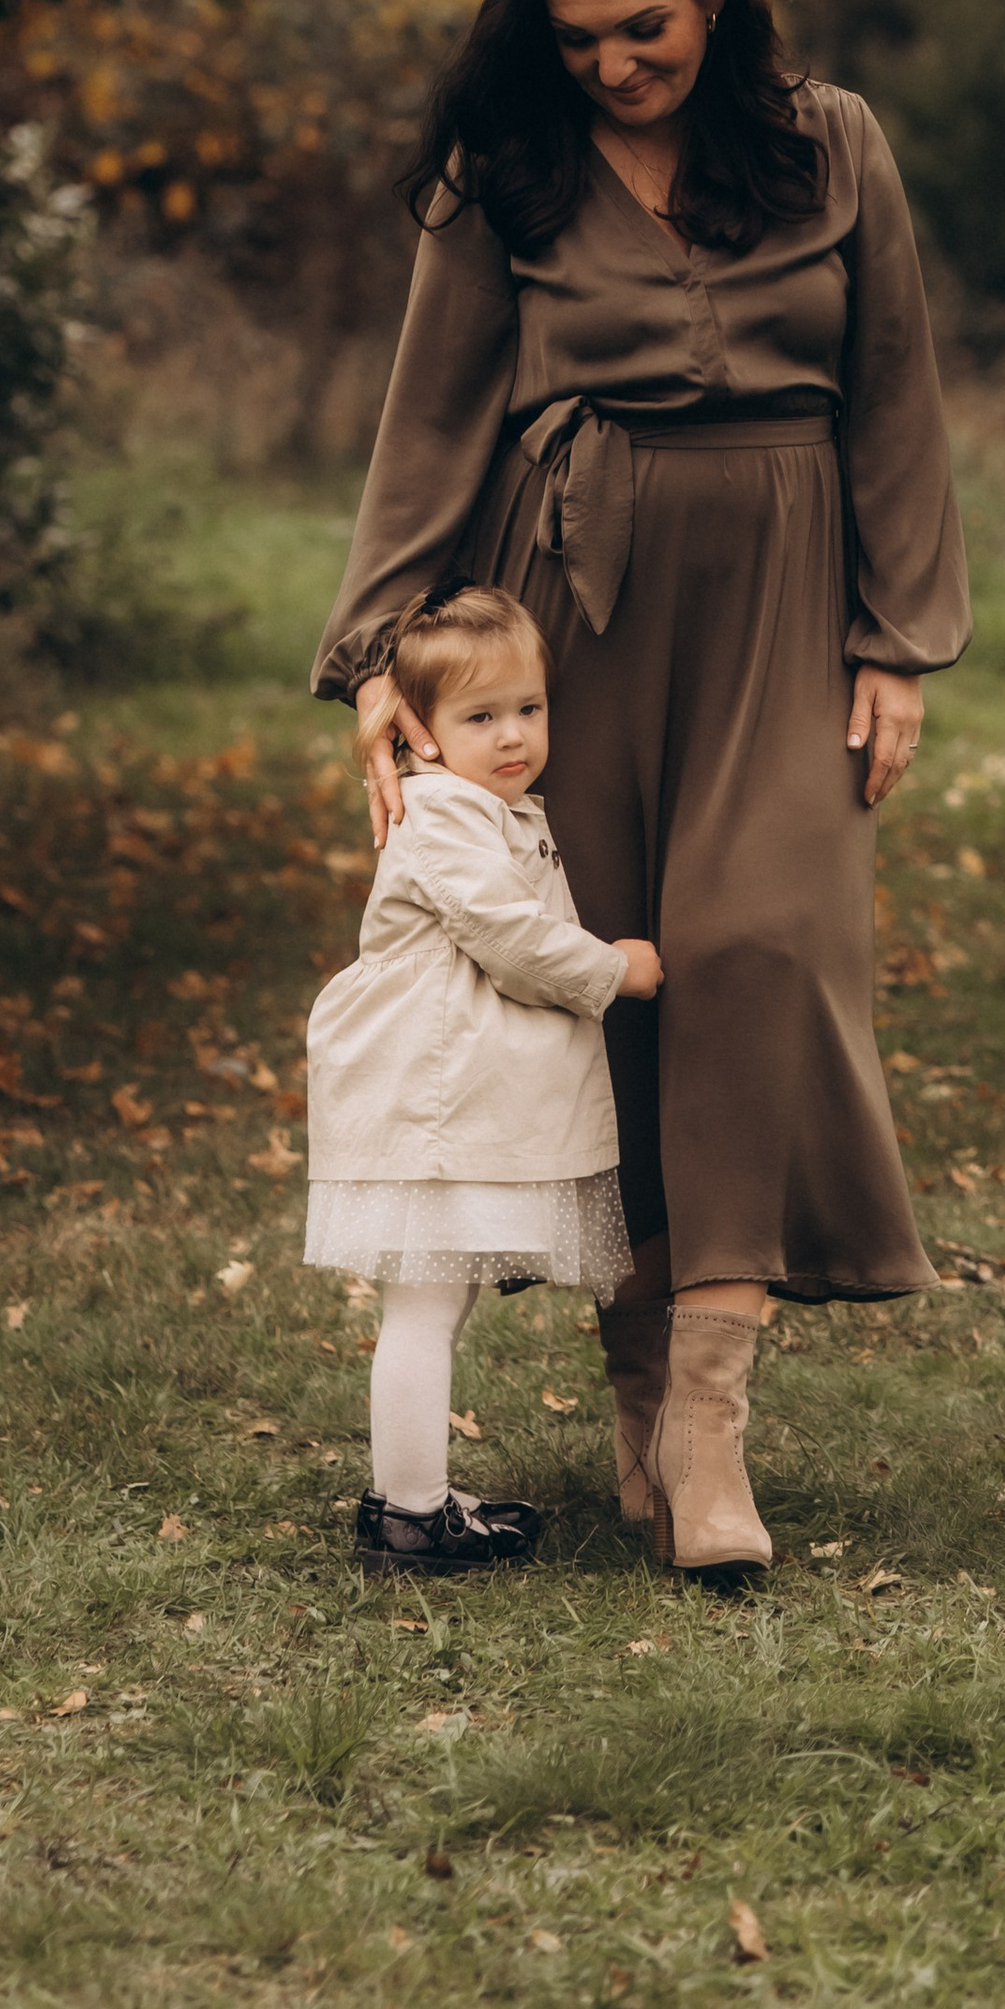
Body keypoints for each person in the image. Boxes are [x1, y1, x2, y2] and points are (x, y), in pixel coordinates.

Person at [312, 0, 970, 1578]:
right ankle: (632, 1388)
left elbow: (896, 389)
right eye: (580, 36)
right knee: (599, 978)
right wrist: (383, 646)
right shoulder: (504, 173)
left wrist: (895, 641)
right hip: (566, 621)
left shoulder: (833, 147)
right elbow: (433, 420)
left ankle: (710, 1421)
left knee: (757, 952)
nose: (614, 65)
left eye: (645, 28)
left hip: (783, 600)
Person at [304, 582, 666, 1578]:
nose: (512, 736)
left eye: (527, 709)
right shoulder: (442, 815)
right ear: (418, 730)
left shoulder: (486, 805)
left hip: (448, 1092)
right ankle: (408, 1519)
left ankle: (414, 1496)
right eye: (479, 716)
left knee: (439, 1299)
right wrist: (613, 969)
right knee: (422, 1304)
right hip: (427, 1098)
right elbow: (509, 940)